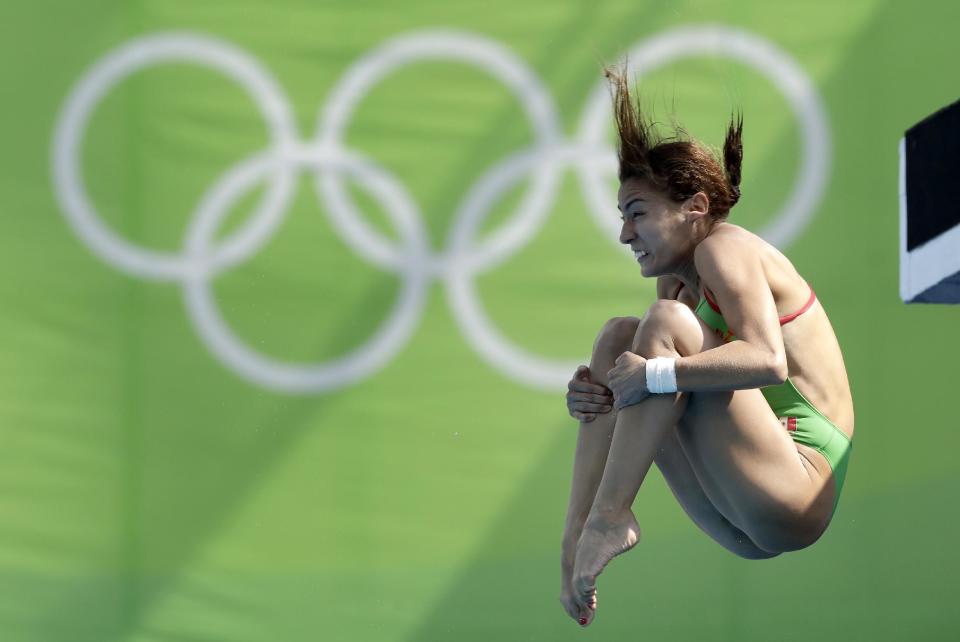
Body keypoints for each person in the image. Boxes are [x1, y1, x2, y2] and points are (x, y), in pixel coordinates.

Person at [559, 69, 855, 628]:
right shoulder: (673, 285)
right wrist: (602, 395)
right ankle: (577, 537)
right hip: (742, 516)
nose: (625, 235)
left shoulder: (725, 249)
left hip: (799, 482)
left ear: (695, 207)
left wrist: (654, 378)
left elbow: (768, 360)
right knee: (617, 341)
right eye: (622, 217)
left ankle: (610, 515)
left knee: (658, 336)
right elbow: (654, 373)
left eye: (637, 213)